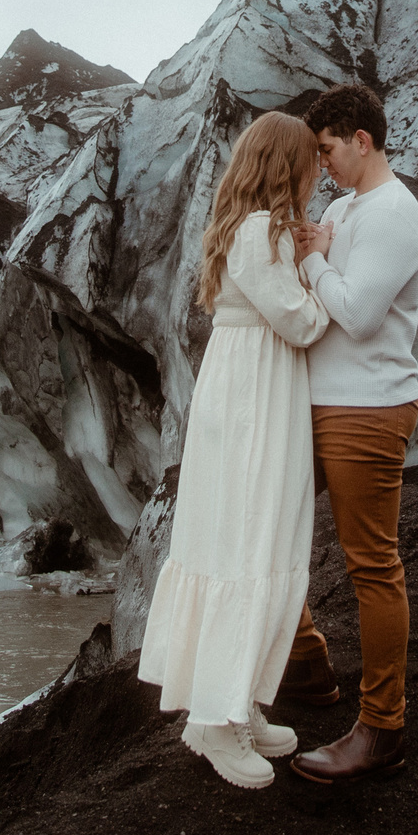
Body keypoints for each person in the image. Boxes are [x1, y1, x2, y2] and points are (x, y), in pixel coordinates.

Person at [136, 110, 335, 789]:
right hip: (255, 394)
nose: (318, 170)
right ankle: (217, 720)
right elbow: (302, 321)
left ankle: (236, 698)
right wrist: (323, 260)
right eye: (311, 160)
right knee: (248, 538)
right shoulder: (261, 233)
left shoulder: (251, 228)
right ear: (288, 165)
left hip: (254, 387)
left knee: (257, 537)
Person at [278, 82, 418, 785]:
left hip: (368, 407)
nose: (324, 163)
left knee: (371, 562)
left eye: (329, 148)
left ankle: (382, 727)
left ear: (362, 140)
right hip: (319, 402)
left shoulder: (396, 212)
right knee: (270, 522)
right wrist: (319, 263)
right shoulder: (343, 208)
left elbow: (359, 313)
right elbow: (320, 301)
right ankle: (307, 662)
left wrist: (316, 260)